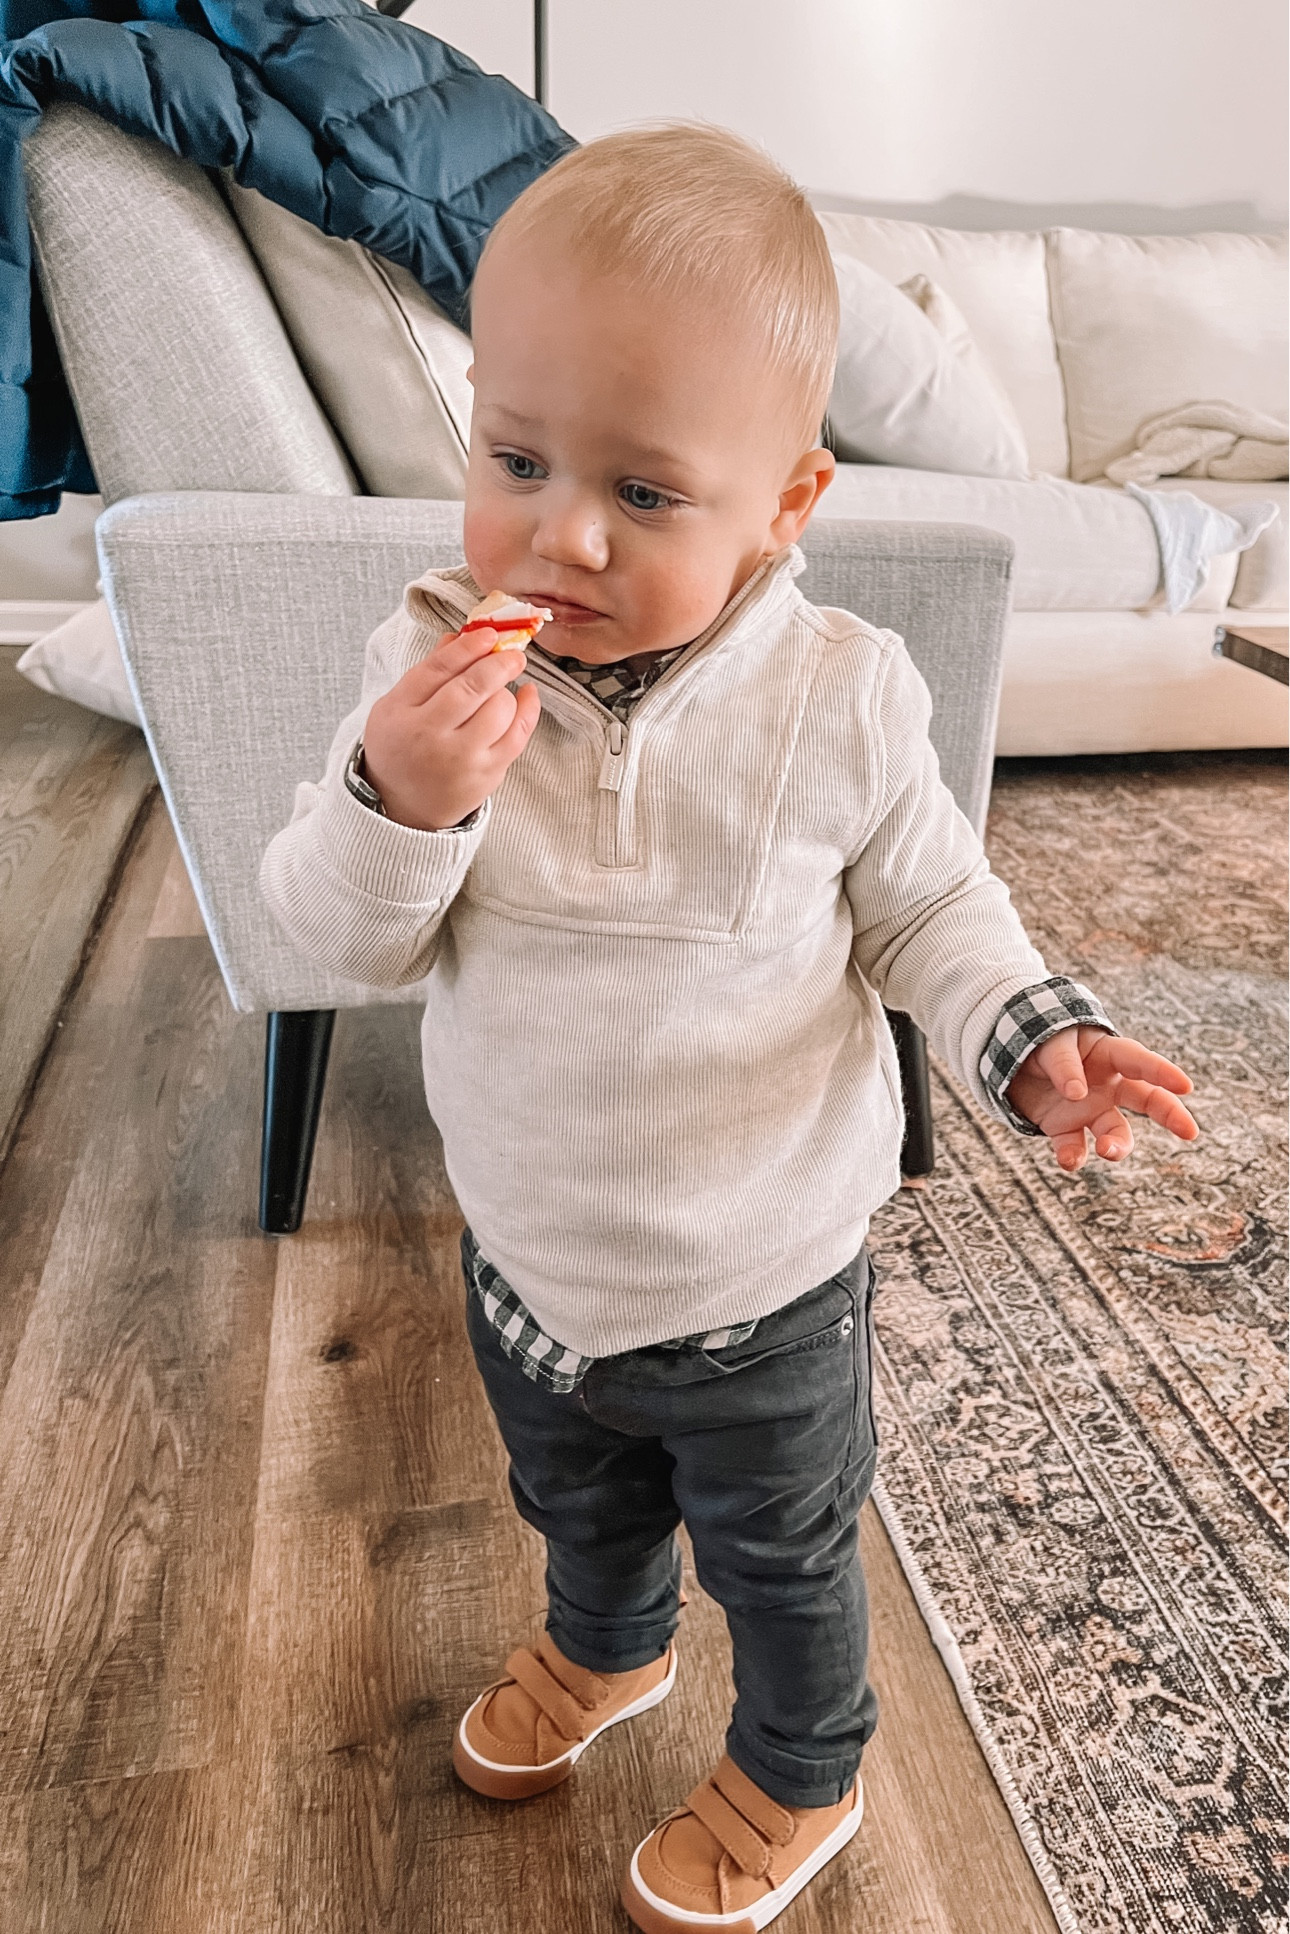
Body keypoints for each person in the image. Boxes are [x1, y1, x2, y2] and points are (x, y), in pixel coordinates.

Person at [261, 124, 1199, 1934]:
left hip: (764, 1277)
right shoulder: (430, 662)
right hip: (534, 1258)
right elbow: (334, 945)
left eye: (648, 491)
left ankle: (802, 1761)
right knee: (576, 1504)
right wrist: (396, 794)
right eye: (515, 457)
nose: (563, 532)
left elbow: (932, 903)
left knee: (778, 1556)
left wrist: (1030, 1038)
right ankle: (605, 1649)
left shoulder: (841, 698)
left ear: (784, 504)